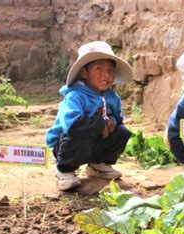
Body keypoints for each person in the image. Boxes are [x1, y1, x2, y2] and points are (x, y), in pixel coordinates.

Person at [45, 41, 133, 191]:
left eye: (111, 70)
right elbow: (72, 125)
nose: (106, 75)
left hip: (96, 141)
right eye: (99, 68)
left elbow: (118, 119)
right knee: (79, 133)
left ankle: (98, 164)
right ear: (84, 73)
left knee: (122, 132)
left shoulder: (113, 98)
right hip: (68, 144)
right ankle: (65, 170)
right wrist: (101, 124)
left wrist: (111, 121)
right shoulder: (75, 96)